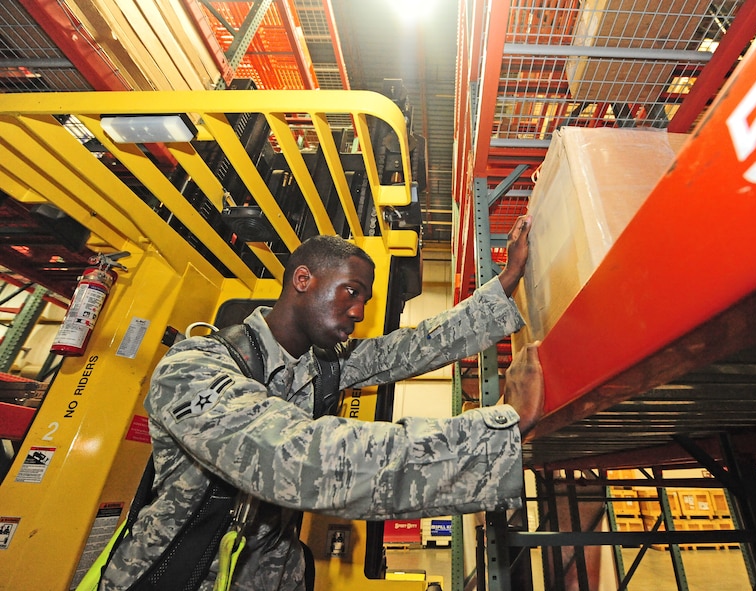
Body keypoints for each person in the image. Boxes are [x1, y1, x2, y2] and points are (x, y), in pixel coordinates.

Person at [101, 215, 544, 591]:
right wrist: (502, 427)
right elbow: (303, 461)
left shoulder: (320, 365)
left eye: (365, 300)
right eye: (351, 292)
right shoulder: (193, 369)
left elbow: (407, 349)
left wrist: (504, 284)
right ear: (303, 279)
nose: (360, 312)